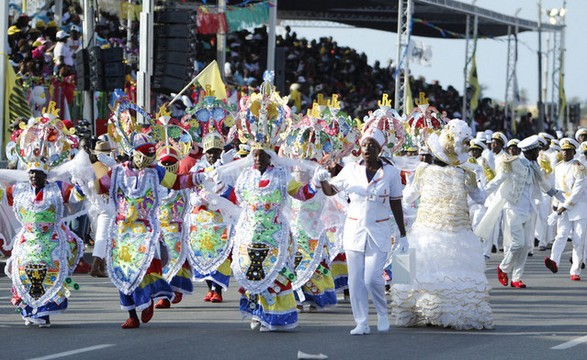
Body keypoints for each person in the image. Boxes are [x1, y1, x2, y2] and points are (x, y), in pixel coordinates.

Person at [96, 132, 206, 328]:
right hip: (121, 231)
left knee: (145, 270)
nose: (146, 163)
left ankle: (147, 301)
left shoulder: (155, 171)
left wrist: (200, 178)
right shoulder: (116, 173)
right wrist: (83, 178)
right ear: (133, 154)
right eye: (143, 158)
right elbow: (99, 187)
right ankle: (132, 315)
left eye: (150, 159)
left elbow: (177, 182)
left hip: (145, 230)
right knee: (123, 272)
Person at [391, 120, 492, 330]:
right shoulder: (466, 173)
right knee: (452, 273)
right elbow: (481, 198)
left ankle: (422, 311)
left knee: (419, 270)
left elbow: (408, 197)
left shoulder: (423, 171)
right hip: (458, 234)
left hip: (425, 230)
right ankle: (447, 314)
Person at [317, 127, 407, 335]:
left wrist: (403, 234)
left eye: (372, 146)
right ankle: (362, 322)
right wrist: (322, 179)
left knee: (372, 278)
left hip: (379, 229)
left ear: (379, 149)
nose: (367, 148)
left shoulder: (391, 172)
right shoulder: (350, 169)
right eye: (365, 145)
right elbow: (331, 190)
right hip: (354, 229)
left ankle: (382, 313)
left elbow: (395, 203)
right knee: (355, 279)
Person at [477, 135, 563, 289]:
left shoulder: (534, 165)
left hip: (529, 208)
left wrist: (559, 195)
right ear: (529, 151)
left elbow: (543, 184)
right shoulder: (512, 163)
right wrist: (483, 193)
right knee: (518, 243)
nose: (538, 153)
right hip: (513, 208)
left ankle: (517, 278)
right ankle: (503, 268)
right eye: (536, 151)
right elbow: (499, 179)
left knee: (525, 246)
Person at [544, 138, 587, 280]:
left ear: (574, 152)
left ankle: (575, 271)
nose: (565, 153)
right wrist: (555, 205)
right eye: (563, 150)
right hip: (563, 208)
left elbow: (576, 193)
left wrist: (559, 210)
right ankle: (554, 261)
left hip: (579, 209)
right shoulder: (558, 167)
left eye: (568, 150)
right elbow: (558, 189)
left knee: (578, 240)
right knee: (561, 235)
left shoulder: (579, 167)